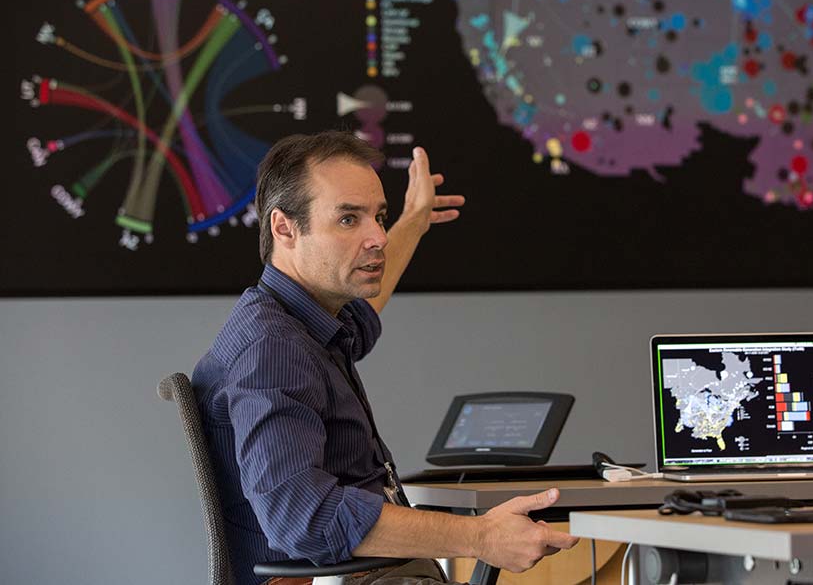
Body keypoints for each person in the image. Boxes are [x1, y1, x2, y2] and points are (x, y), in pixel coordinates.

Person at [192, 131, 578, 585]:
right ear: (284, 228)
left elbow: (362, 313)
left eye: (379, 216)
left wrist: (413, 219)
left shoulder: (300, 323)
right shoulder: (272, 350)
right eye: (348, 219)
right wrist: (480, 537)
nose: (377, 237)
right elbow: (301, 515)